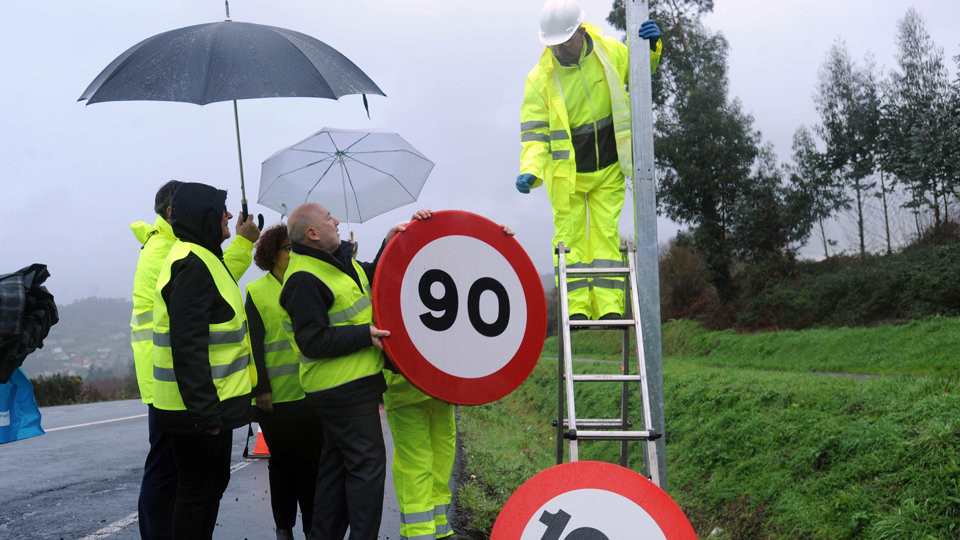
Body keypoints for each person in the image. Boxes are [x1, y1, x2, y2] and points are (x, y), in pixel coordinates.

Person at [279, 203, 430, 540]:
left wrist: (389, 242)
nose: (336, 221)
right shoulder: (303, 279)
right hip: (343, 390)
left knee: (335, 475)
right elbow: (312, 341)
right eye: (328, 218)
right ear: (313, 234)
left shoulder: (338, 263)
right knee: (367, 472)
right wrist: (364, 335)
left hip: (348, 387)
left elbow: (371, 280)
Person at [516, 0, 662, 320]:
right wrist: (530, 169)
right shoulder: (539, 78)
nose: (558, 50)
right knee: (570, 242)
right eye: (552, 44)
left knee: (605, 237)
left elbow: (642, 73)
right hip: (565, 174)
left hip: (610, 165)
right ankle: (577, 309)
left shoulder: (610, 52)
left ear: (581, 31)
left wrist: (651, 48)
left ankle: (609, 308)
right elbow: (535, 134)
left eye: (563, 42)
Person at [130, 180, 259, 540]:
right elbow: (189, 330)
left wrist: (241, 242)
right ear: (182, 213)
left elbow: (214, 288)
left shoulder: (193, 252)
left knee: (197, 482)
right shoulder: (172, 253)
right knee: (173, 479)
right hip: (178, 390)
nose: (228, 214)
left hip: (191, 389)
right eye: (219, 209)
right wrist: (204, 410)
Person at [383, 221, 515, 540]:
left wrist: (502, 244)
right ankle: (418, 532)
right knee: (417, 463)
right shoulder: (394, 280)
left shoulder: (454, 282)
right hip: (405, 388)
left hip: (441, 390)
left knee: (442, 459)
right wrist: (392, 240)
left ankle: (440, 529)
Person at [245, 224, 323, 540]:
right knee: (281, 466)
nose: (293, 253)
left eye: (295, 247)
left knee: (312, 466)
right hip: (274, 399)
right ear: (271, 253)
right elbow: (252, 344)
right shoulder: (256, 291)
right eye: (288, 248)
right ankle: (284, 528)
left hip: (311, 392)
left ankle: (313, 528)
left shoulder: (308, 283)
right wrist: (260, 387)